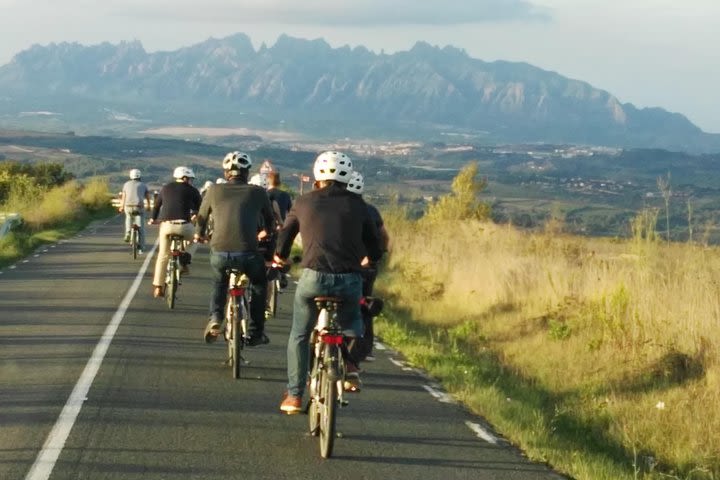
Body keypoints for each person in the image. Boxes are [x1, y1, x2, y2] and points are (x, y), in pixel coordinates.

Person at [274, 151, 383, 414]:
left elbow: (285, 237)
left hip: (312, 279)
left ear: (317, 177)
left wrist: (280, 258)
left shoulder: (303, 202)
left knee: (300, 334)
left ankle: (295, 395)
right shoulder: (360, 206)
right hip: (349, 281)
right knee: (353, 324)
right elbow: (376, 247)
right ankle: (349, 369)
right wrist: (368, 260)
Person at [194, 151, 276, 346]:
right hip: (248, 252)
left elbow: (202, 217)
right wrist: (265, 233)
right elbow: (271, 221)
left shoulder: (213, 190)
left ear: (226, 173)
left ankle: (215, 318)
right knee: (258, 284)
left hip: (220, 251)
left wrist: (199, 234)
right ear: (247, 172)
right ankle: (256, 331)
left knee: (219, 283)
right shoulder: (258, 192)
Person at [346, 171, 390, 362]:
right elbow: (384, 237)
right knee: (364, 305)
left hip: (343, 265)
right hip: (367, 266)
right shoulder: (370, 210)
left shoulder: (339, 208)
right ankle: (365, 348)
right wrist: (378, 256)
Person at [149, 166, 202, 298]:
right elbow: (200, 208)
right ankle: (186, 256)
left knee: (163, 255)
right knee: (196, 239)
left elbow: (157, 205)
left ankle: (158, 287)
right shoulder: (193, 190)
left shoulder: (165, 188)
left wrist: (153, 219)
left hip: (166, 226)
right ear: (185, 178)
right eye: (190, 179)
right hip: (184, 225)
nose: (191, 181)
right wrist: (195, 215)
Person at [119, 169, 151, 253]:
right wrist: (148, 206)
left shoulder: (126, 184)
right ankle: (141, 246)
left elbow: (123, 197)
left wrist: (121, 207)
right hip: (139, 207)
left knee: (128, 217)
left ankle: (128, 232)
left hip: (128, 206)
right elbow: (147, 196)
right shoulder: (143, 185)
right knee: (141, 227)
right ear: (139, 176)